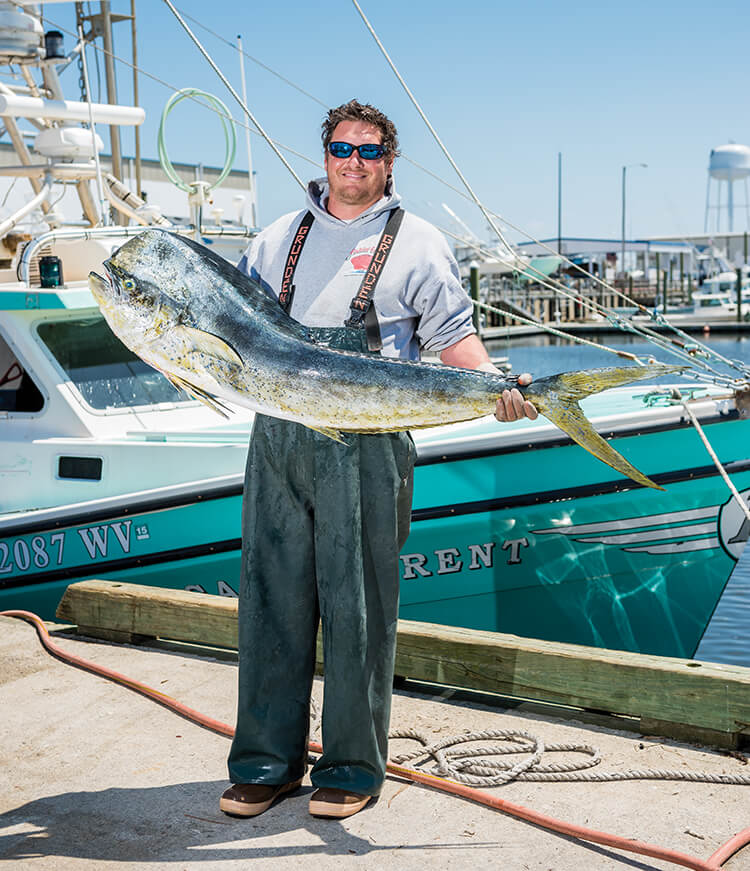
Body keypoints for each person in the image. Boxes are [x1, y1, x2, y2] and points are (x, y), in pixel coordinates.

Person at [222, 99, 537, 821]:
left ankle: (353, 768)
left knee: (359, 605)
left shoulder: (420, 242)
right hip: (279, 437)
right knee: (270, 601)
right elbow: (234, 331)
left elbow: (454, 339)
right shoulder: (274, 239)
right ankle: (265, 763)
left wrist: (498, 388)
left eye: (369, 152)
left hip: (371, 441)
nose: (353, 163)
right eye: (342, 148)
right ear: (324, 154)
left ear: (388, 163)